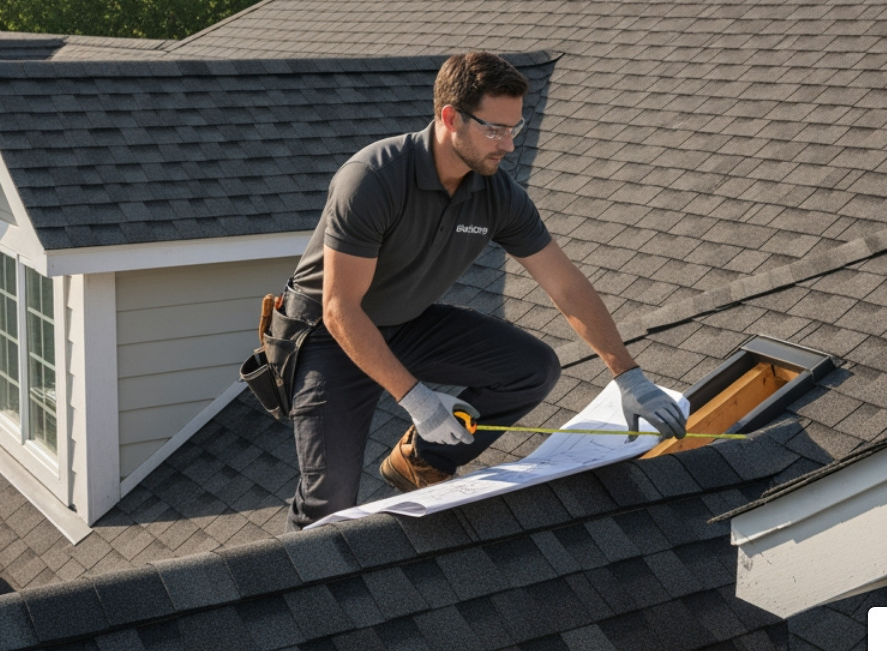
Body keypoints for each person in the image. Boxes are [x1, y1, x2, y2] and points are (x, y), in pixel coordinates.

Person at [282, 51, 685, 530]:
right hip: (328, 337)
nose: (509, 145)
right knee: (330, 502)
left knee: (533, 368)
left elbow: (565, 284)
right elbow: (339, 310)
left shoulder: (496, 195)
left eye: (515, 128)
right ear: (450, 118)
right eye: (495, 129)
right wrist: (419, 400)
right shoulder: (373, 179)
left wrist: (629, 376)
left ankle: (421, 460)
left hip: (405, 324)